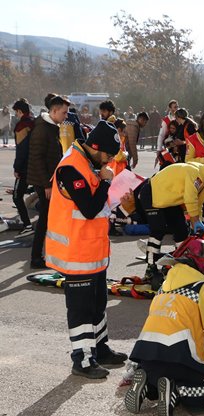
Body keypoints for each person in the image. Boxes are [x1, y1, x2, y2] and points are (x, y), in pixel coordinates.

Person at [45, 120, 127, 378]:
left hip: (94, 252)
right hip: (77, 254)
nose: (109, 160)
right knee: (80, 308)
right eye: (107, 155)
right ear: (94, 147)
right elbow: (89, 208)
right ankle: (81, 358)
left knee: (98, 303)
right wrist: (106, 183)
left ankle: (100, 349)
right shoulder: (70, 168)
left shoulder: (90, 162)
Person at [126, 238, 204, 416]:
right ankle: (177, 390)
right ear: (203, 265)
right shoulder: (203, 289)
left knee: (160, 377)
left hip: (147, 359)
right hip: (180, 359)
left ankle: (149, 386)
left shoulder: (163, 288)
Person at [133, 162, 204, 286]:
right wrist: (195, 222)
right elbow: (190, 198)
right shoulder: (195, 174)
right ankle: (151, 269)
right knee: (158, 229)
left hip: (169, 200)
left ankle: (182, 266)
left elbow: (197, 205)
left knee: (182, 231)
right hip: (152, 193)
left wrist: (196, 223)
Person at [27, 94, 70, 269]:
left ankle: (41, 255)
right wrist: (46, 184)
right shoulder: (42, 129)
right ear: (53, 111)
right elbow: (37, 158)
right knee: (45, 219)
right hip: (43, 181)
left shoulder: (51, 127)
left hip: (48, 180)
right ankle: (36, 258)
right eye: (64, 113)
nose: (66, 116)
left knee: (47, 219)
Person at [11, 99, 35, 237]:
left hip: (24, 166)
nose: (16, 115)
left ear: (20, 112)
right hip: (35, 165)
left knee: (17, 196)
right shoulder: (34, 122)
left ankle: (27, 225)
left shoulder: (22, 126)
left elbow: (21, 150)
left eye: (16, 112)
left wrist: (17, 168)